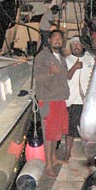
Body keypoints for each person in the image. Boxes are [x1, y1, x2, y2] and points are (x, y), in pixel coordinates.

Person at [34, 29, 69, 178]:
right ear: (49, 40)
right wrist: (50, 72)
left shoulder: (61, 57)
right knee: (49, 134)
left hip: (59, 99)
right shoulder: (42, 56)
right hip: (48, 100)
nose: (58, 40)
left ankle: (53, 158)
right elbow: (37, 77)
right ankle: (48, 165)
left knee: (57, 132)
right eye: (55, 38)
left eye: (60, 38)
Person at [64, 36, 96, 161]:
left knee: (89, 130)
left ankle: (90, 152)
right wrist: (74, 67)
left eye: (78, 44)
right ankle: (67, 152)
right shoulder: (66, 60)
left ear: (82, 46)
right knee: (70, 130)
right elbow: (64, 77)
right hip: (72, 100)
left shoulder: (91, 58)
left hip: (89, 102)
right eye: (73, 45)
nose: (76, 47)